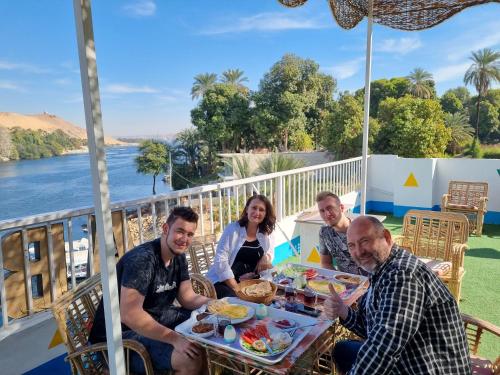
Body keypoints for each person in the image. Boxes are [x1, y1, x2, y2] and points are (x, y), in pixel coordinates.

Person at [323, 216, 471, 375]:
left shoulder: (402, 275)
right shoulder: (382, 268)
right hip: (410, 352)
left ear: (386, 237)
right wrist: (342, 310)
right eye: (352, 245)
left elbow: (384, 348)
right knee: (342, 350)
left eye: (365, 241)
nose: (358, 252)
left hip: (431, 366)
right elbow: (375, 328)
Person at [89, 206, 211, 375]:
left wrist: (215, 304)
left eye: (190, 234)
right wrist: (175, 339)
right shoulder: (143, 261)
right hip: (116, 339)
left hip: (155, 319)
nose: (184, 239)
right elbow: (131, 314)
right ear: (166, 229)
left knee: (207, 333)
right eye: (180, 231)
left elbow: (187, 296)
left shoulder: (178, 256)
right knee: (189, 358)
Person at [206, 194, 276, 298]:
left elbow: (270, 251)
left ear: (265, 214)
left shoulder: (265, 233)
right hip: (225, 283)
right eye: (254, 208)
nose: (257, 213)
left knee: (273, 296)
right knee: (241, 303)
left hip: (249, 284)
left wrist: (266, 257)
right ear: (247, 209)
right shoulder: (232, 230)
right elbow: (220, 261)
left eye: (261, 210)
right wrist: (238, 289)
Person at [316, 191, 368, 276]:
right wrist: (340, 279)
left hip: (369, 282)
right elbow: (325, 263)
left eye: (330, 208)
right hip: (344, 284)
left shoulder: (362, 228)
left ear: (341, 208)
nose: (327, 214)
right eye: (322, 211)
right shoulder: (324, 232)